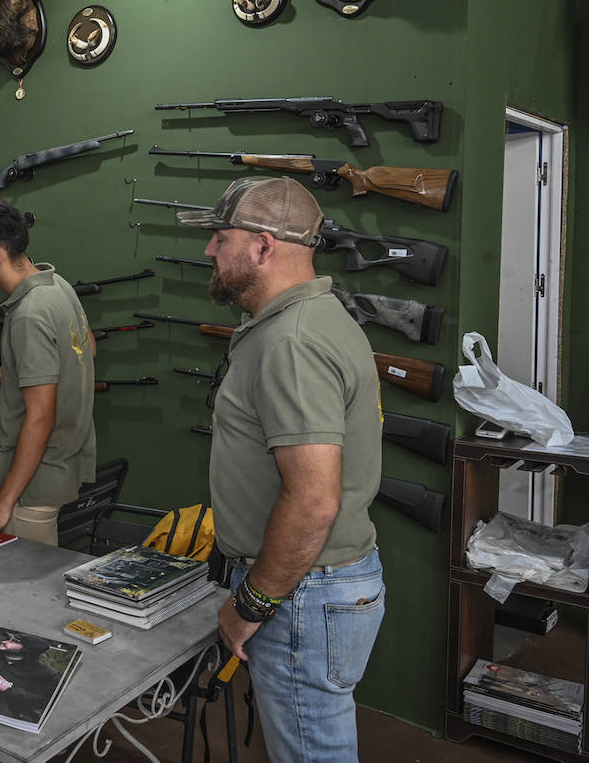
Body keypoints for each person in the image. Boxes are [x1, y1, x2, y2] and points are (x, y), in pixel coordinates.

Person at [175, 175, 385, 763]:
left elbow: (315, 499)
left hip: (300, 593)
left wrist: (251, 606)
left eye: (221, 238)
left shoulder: (291, 340)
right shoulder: (305, 319)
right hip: (313, 587)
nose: (209, 251)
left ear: (263, 246)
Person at [0, 199, 96, 548]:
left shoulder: (29, 314)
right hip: (61, 467)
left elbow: (40, 416)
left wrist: (3, 502)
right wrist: (14, 372)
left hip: (30, 486)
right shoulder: (57, 286)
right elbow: (87, 348)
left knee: (21, 592)